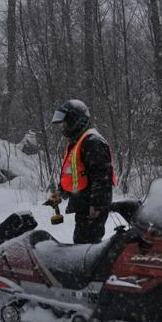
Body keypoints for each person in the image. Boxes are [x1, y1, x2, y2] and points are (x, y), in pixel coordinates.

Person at [50, 99, 116, 244]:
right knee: (82, 244)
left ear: (76, 121)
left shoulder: (92, 142)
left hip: (92, 206)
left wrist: (97, 205)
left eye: (64, 123)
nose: (62, 128)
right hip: (84, 203)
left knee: (86, 247)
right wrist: (61, 191)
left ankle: (98, 267)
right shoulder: (77, 141)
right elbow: (76, 173)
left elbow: (102, 176)